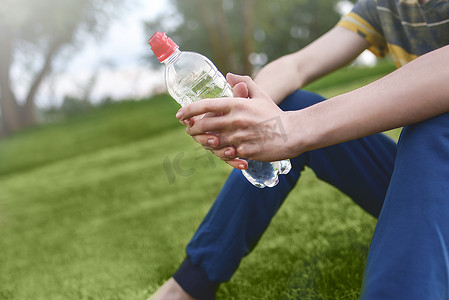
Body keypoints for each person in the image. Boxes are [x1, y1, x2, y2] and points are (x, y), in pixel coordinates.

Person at [150, 0, 449, 299]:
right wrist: (245, 114)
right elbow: (298, 64)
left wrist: (296, 128)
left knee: (430, 126)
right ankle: (189, 285)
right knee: (291, 105)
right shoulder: (387, 6)